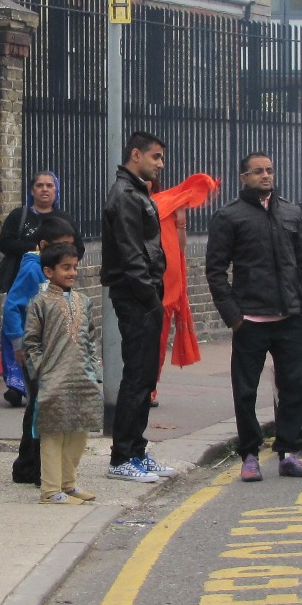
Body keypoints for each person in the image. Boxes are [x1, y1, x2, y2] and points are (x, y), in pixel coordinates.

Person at [207, 152, 302, 483]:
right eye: (258, 172)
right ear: (244, 178)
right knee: (246, 392)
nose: (266, 176)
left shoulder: (291, 212)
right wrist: (233, 316)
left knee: (296, 387)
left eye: (269, 170)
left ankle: (288, 452)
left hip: (290, 318)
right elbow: (215, 270)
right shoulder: (229, 216)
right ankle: (250, 455)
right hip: (250, 321)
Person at [103, 131, 176, 483]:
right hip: (135, 295)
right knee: (137, 376)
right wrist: (150, 299)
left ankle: (136, 450)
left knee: (145, 376)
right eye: (155, 156)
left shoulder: (135, 192)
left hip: (142, 294)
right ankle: (122, 457)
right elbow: (132, 254)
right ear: (136, 154)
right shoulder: (126, 195)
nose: (161, 164)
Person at [19, 242, 102, 505]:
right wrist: (42, 371)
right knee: (53, 433)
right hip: (53, 379)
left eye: (75, 267)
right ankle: (50, 490)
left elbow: (91, 339)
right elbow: (31, 342)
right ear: (48, 271)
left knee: (80, 430)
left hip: (83, 378)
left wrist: (95, 371)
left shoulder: (83, 301)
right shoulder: (39, 303)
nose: (72, 273)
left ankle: (69, 484)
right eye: (66, 267)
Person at [4, 216, 78, 487]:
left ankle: (31, 465)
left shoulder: (55, 272)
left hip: (53, 349)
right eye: (61, 247)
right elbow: (12, 306)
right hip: (34, 349)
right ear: (44, 246)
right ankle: (31, 466)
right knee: (40, 406)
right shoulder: (32, 270)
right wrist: (18, 343)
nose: (67, 254)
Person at [0, 170, 65, 405]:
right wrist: (33, 250)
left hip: (49, 284)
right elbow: (5, 243)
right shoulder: (20, 216)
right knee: (19, 332)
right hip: (24, 279)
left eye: (49, 185)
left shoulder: (62, 219)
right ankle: (16, 386)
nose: (44, 189)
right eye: (39, 185)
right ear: (32, 190)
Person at [153, 171, 220, 378]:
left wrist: (181, 223)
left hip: (166, 284)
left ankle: (151, 387)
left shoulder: (168, 202)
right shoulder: (133, 206)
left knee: (158, 344)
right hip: (144, 283)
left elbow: (180, 247)